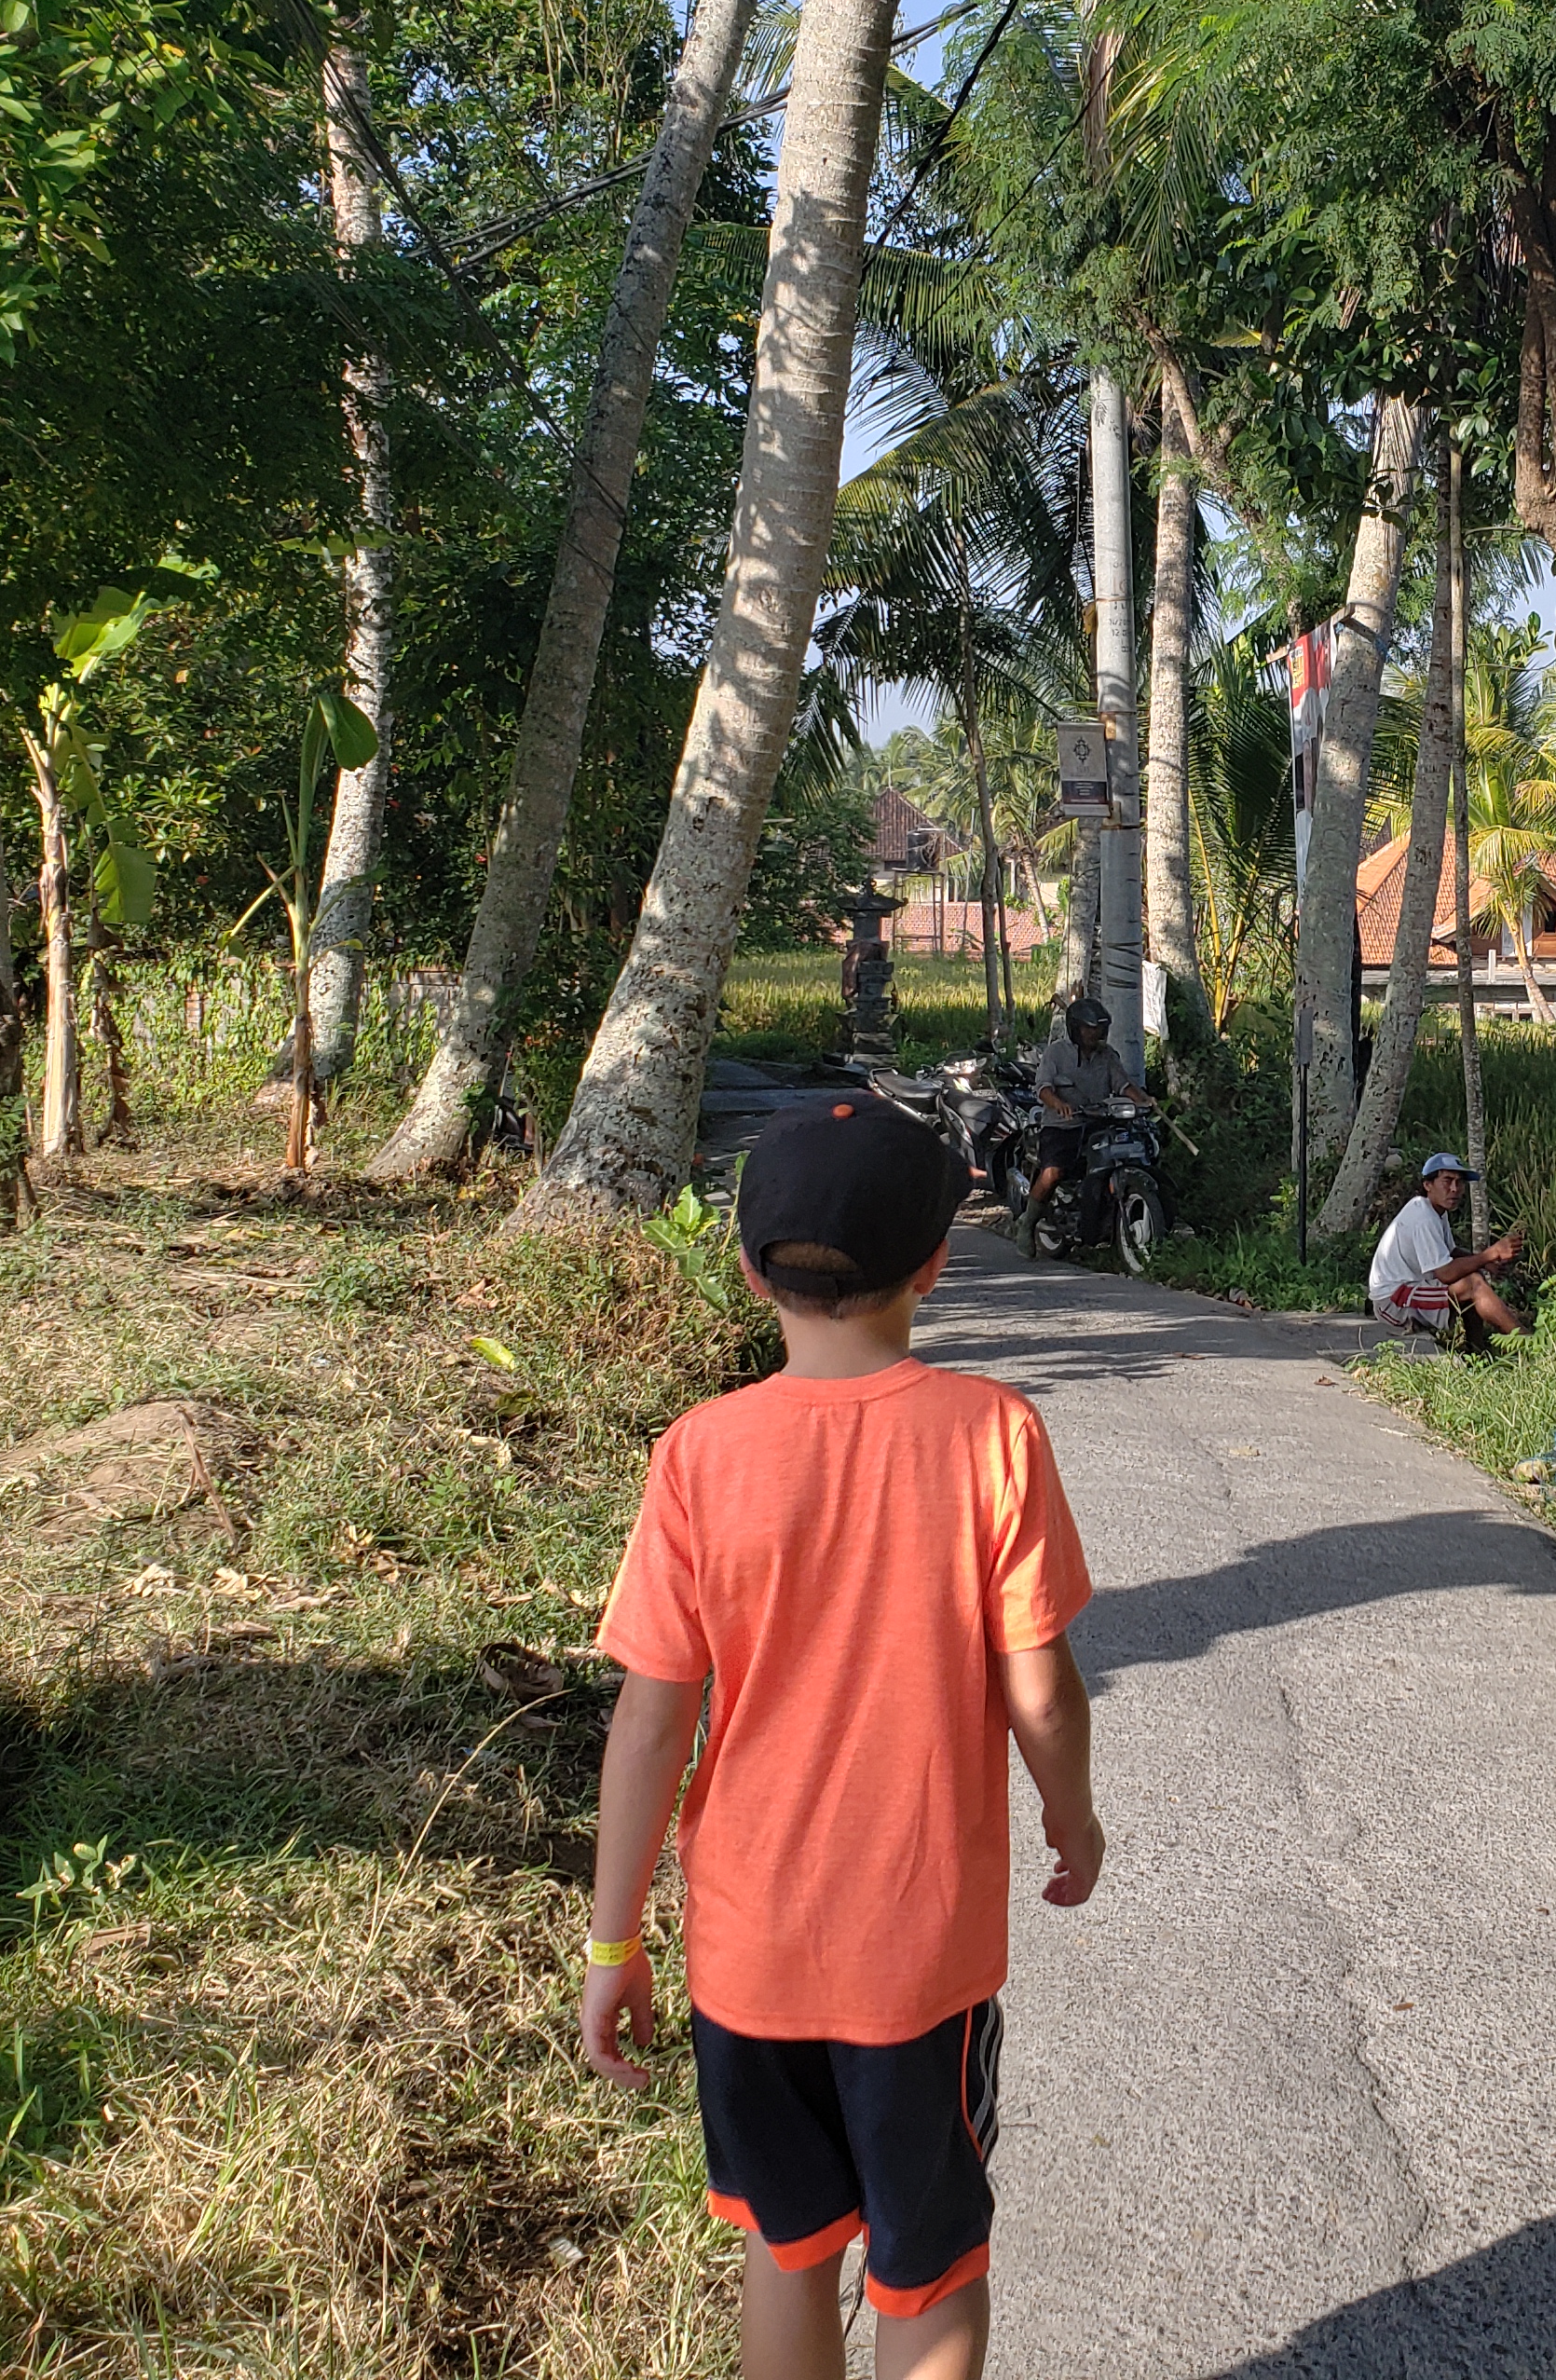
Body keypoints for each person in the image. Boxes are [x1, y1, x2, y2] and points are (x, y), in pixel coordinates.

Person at [579, 1094, 1105, 2380]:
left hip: (749, 1948)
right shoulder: (991, 1433)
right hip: (915, 1954)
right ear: (936, 1262)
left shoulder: (700, 1454)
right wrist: (1072, 1817)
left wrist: (612, 1939)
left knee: (789, 2245)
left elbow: (651, 1721)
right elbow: (1039, 1685)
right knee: (929, 2263)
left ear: (751, 1265)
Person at [1369, 1152, 1527, 1351]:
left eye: (1459, 1182)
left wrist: (1484, 1263)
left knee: (1473, 1276)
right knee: (1473, 1284)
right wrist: (1491, 1253)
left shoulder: (1434, 1211)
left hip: (1408, 1290)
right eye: (1447, 1181)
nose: (1454, 1189)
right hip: (1392, 1301)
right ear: (1428, 1185)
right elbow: (1445, 1273)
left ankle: (1476, 1351)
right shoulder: (1423, 1217)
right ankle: (1530, 1345)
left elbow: (1450, 1252)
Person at [1021, 992, 1126, 1241]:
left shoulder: (1108, 1055)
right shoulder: (1056, 1053)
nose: (1096, 1034)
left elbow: (1124, 1085)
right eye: (1090, 1029)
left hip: (1098, 1124)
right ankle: (1027, 1224)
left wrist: (1144, 1099)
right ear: (1075, 1029)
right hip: (1062, 1126)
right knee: (1053, 1172)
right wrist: (1059, 1105)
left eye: (1100, 1029)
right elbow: (1043, 1088)